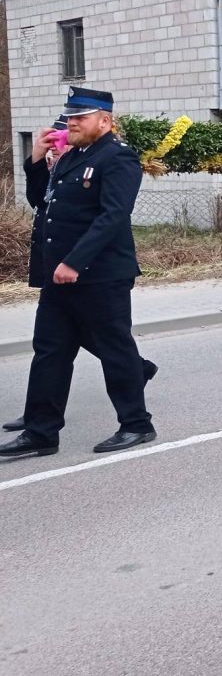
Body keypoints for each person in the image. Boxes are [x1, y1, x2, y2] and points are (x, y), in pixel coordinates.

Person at [2, 88, 157, 459]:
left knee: (114, 348)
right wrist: (37, 162)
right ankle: (41, 432)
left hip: (100, 275)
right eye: (69, 118)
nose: (71, 124)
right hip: (59, 276)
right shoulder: (74, 158)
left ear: (104, 120)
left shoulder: (118, 157)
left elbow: (113, 216)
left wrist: (75, 261)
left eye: (79, 118)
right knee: (50, 351)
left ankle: (136, 424)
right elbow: (43, 202)